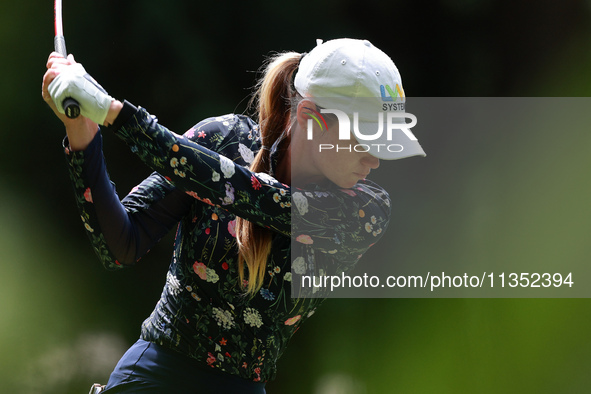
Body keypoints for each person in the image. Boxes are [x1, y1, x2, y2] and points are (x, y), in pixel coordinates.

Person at [42, 38, 425, 393]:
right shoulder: (222, 141)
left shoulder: (365, 208)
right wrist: (84, 131)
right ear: (310, 116)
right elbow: (120, 245)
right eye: (362, 140)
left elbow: (248, 193)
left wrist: (114, 113)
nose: (374, 160)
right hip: (153, 377)